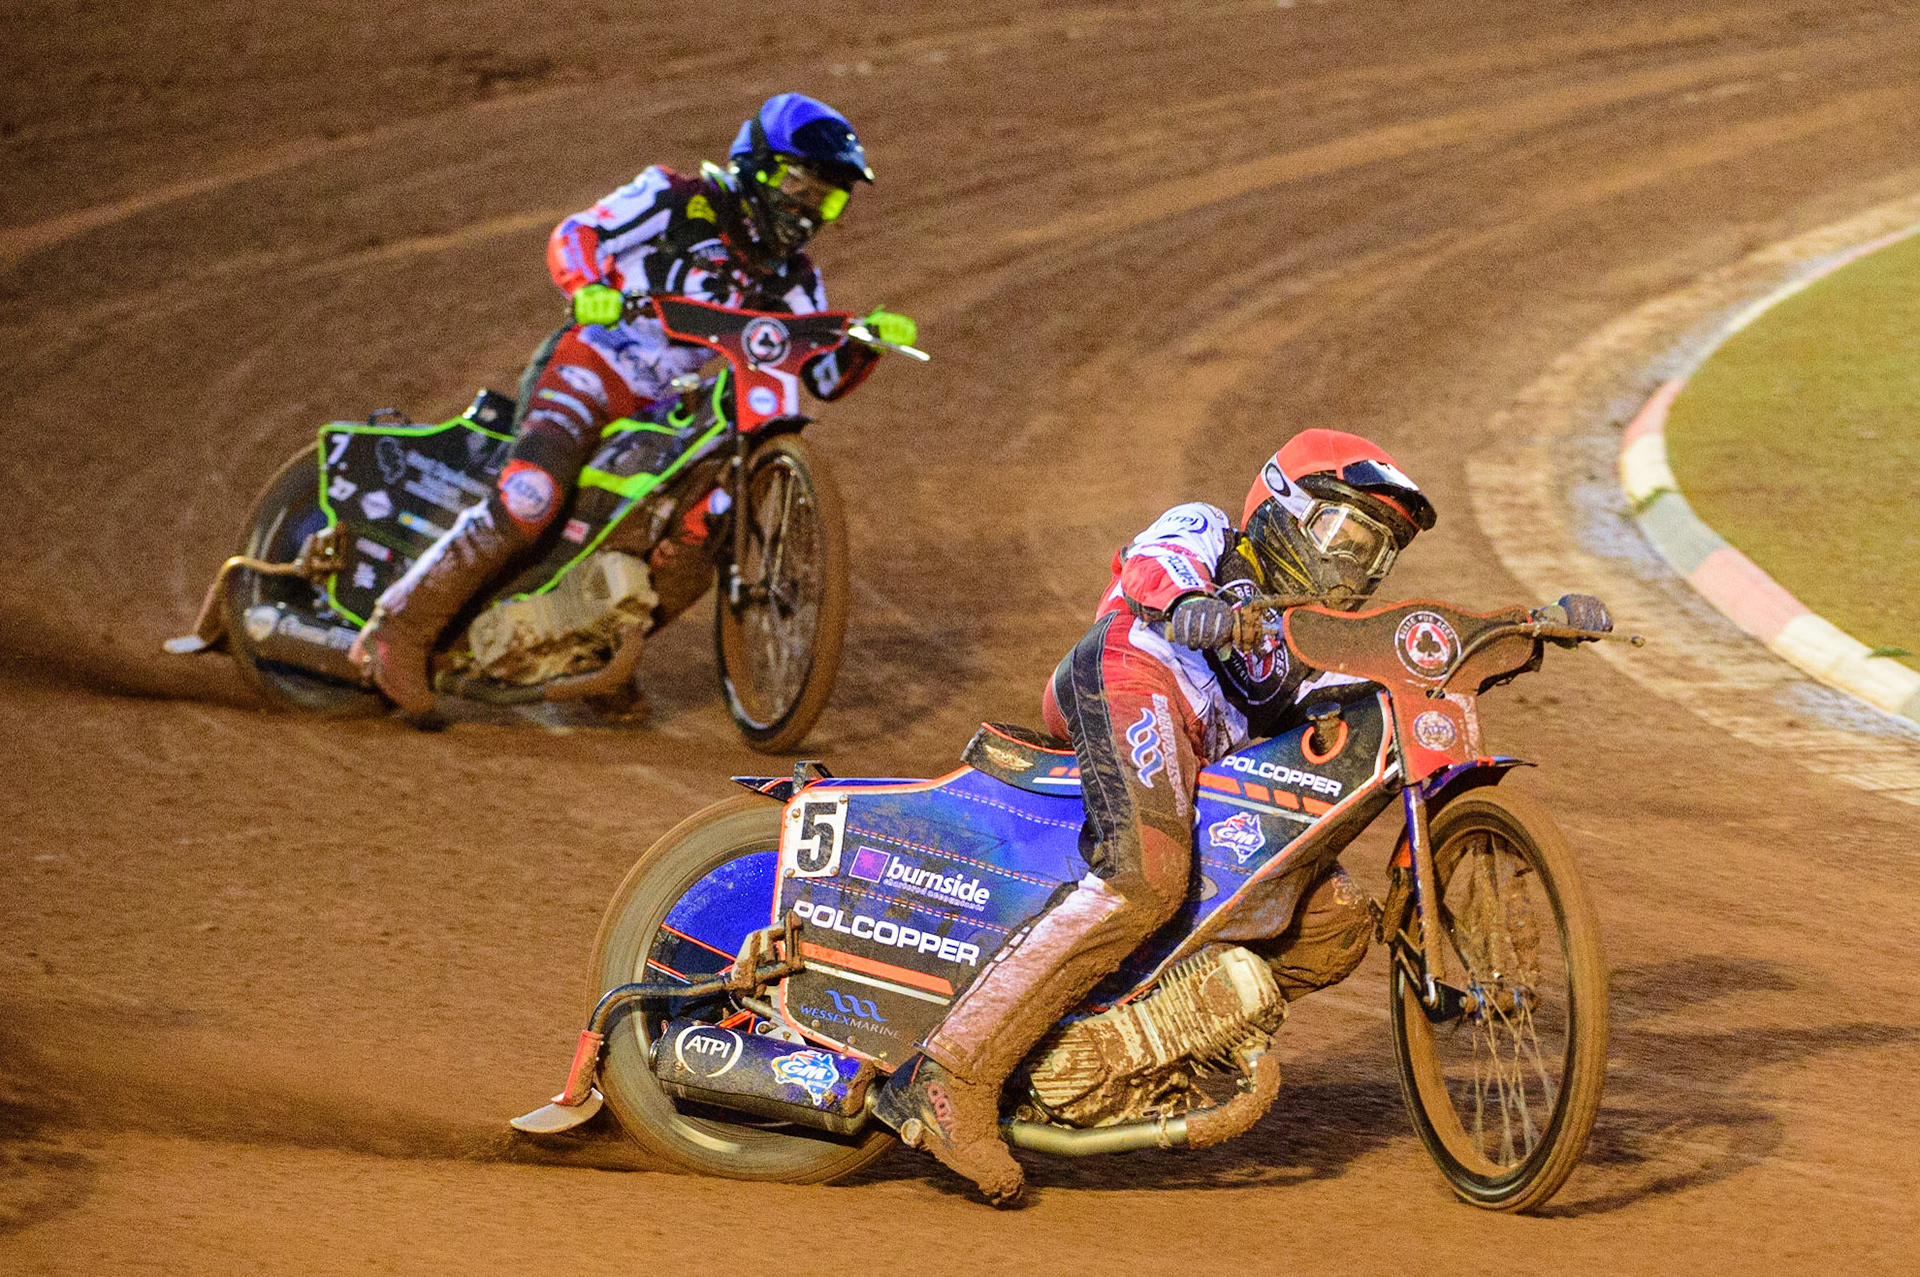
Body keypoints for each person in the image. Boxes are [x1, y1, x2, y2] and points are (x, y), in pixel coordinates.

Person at [873, 429, 1441, 1205]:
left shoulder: (1320, 644)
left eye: (1380, 554)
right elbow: (1152, 570)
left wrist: (1505, 635)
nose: (1360, 566)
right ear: (1286, 508)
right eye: (1349, 534)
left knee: (1331, 922)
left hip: (1196, 756)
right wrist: (1193, 607)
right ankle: (950, 1075)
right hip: (1133, 672)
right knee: (1149, 873)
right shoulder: (1212, 532)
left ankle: (1126, 1048)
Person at [351, 92, 917, 718]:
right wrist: (590, 286)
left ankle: (593, 652)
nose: (809, 209)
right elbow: (576, 234)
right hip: (593, 366)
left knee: (704, 533)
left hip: (670, 409)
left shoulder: (795, 278)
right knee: (531, 498)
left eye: (828, 198)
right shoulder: (675, 199)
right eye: (800, 185)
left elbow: (824, 376)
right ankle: (398, 629)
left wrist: (870, 342)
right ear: (757, 164)